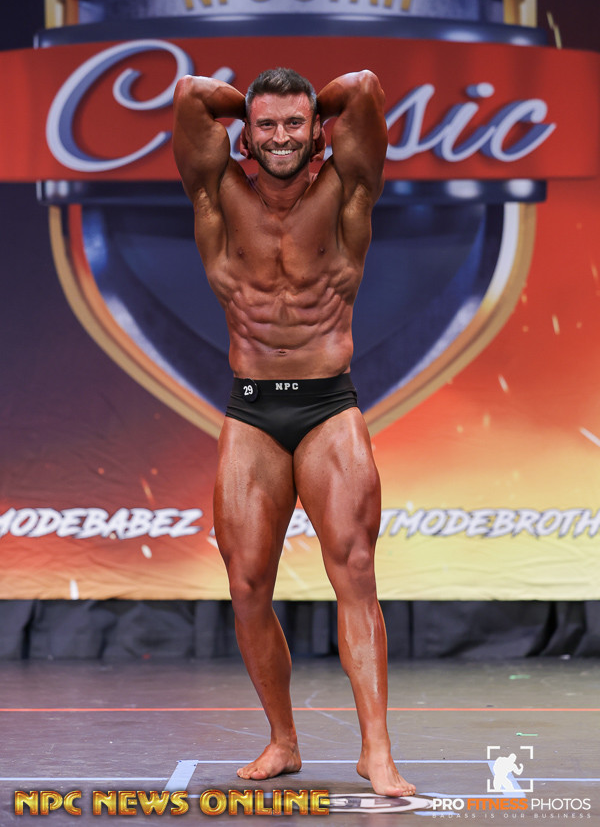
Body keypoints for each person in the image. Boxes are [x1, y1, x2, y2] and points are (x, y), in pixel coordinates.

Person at [172, 66, 415, 798]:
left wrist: (304, 108)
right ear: (245, 136)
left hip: (328, 408)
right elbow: (191, 96)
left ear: (318, 133)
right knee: (247, 584)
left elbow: (364, 87)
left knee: (356, 572)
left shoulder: (348, 191)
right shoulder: (217, 194)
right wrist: (252, 105)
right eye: (267, 126)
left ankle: (377, 751)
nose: (281, 137)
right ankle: (283, 739)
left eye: (295, 124)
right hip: (251, 412)